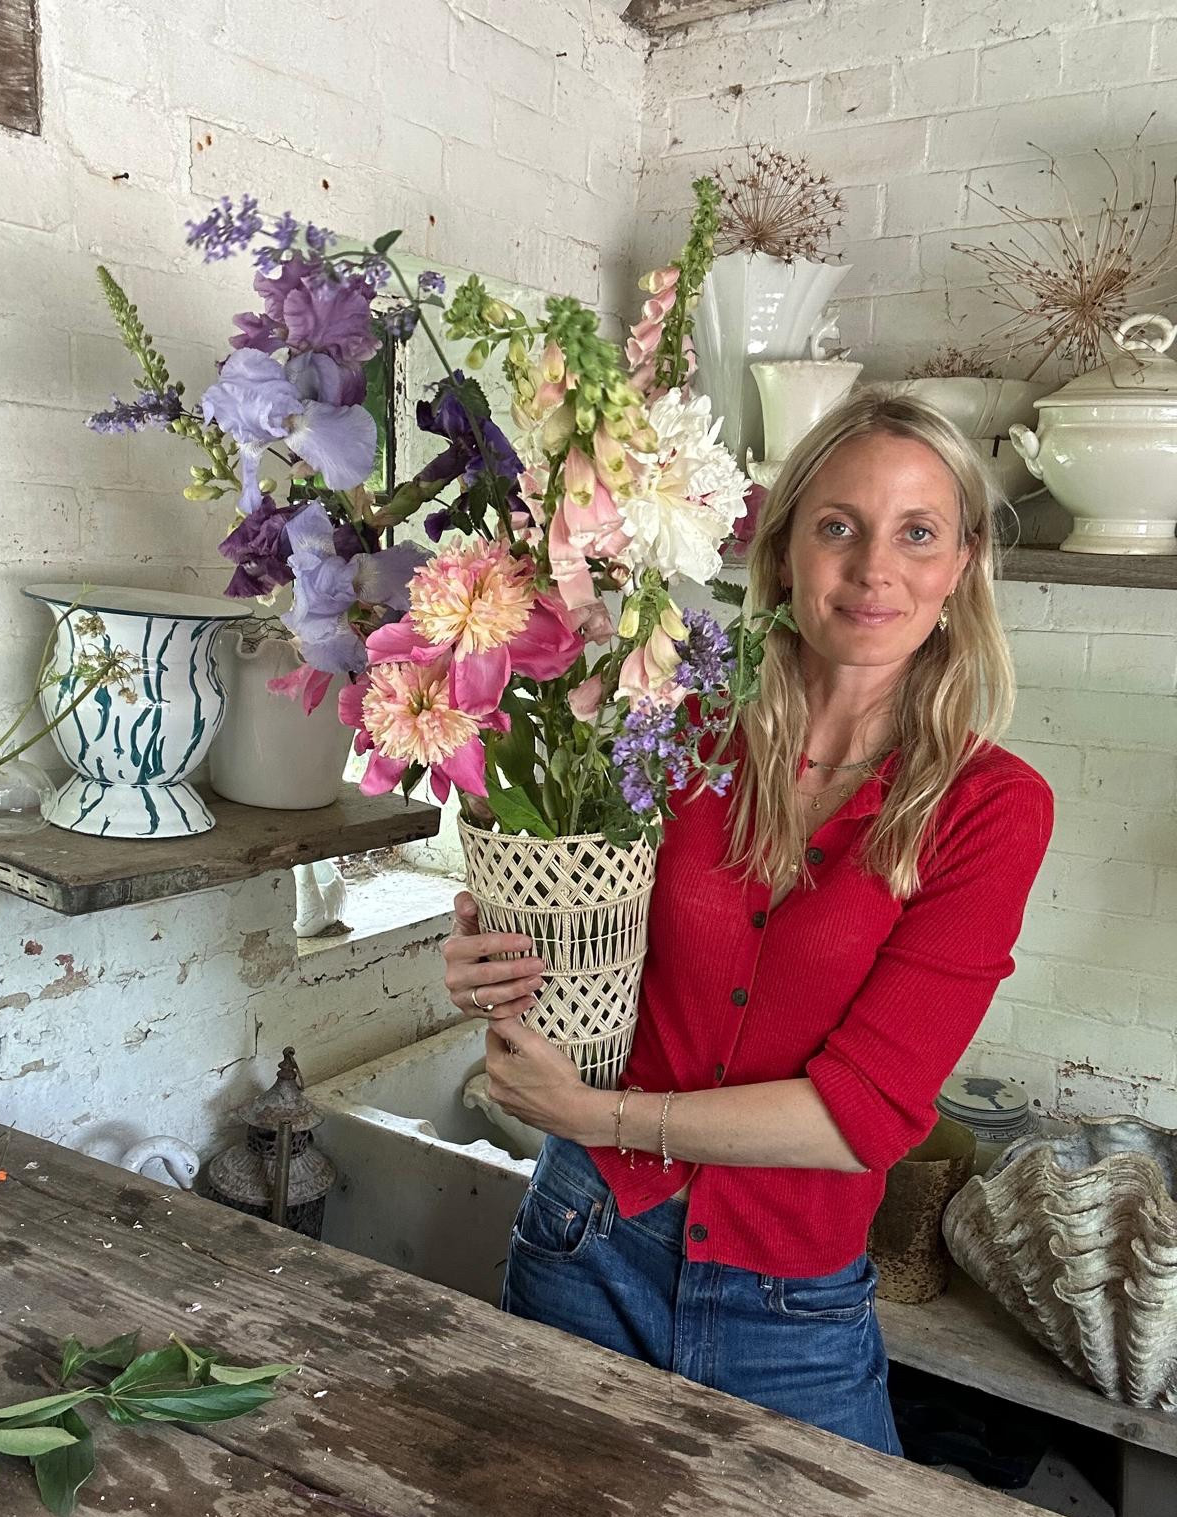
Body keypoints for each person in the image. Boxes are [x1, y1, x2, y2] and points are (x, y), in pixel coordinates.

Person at [441, 389, 1053, 1456]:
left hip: (792, 1315)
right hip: (585, 1244)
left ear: (961, 569)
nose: (874, 567)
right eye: (838, 526)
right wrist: (499, 952)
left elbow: (862, 1115)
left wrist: (602, 1119)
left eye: (917, 533)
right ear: (782, 558)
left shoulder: (989, 808)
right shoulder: (669, 738)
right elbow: (587, 947)